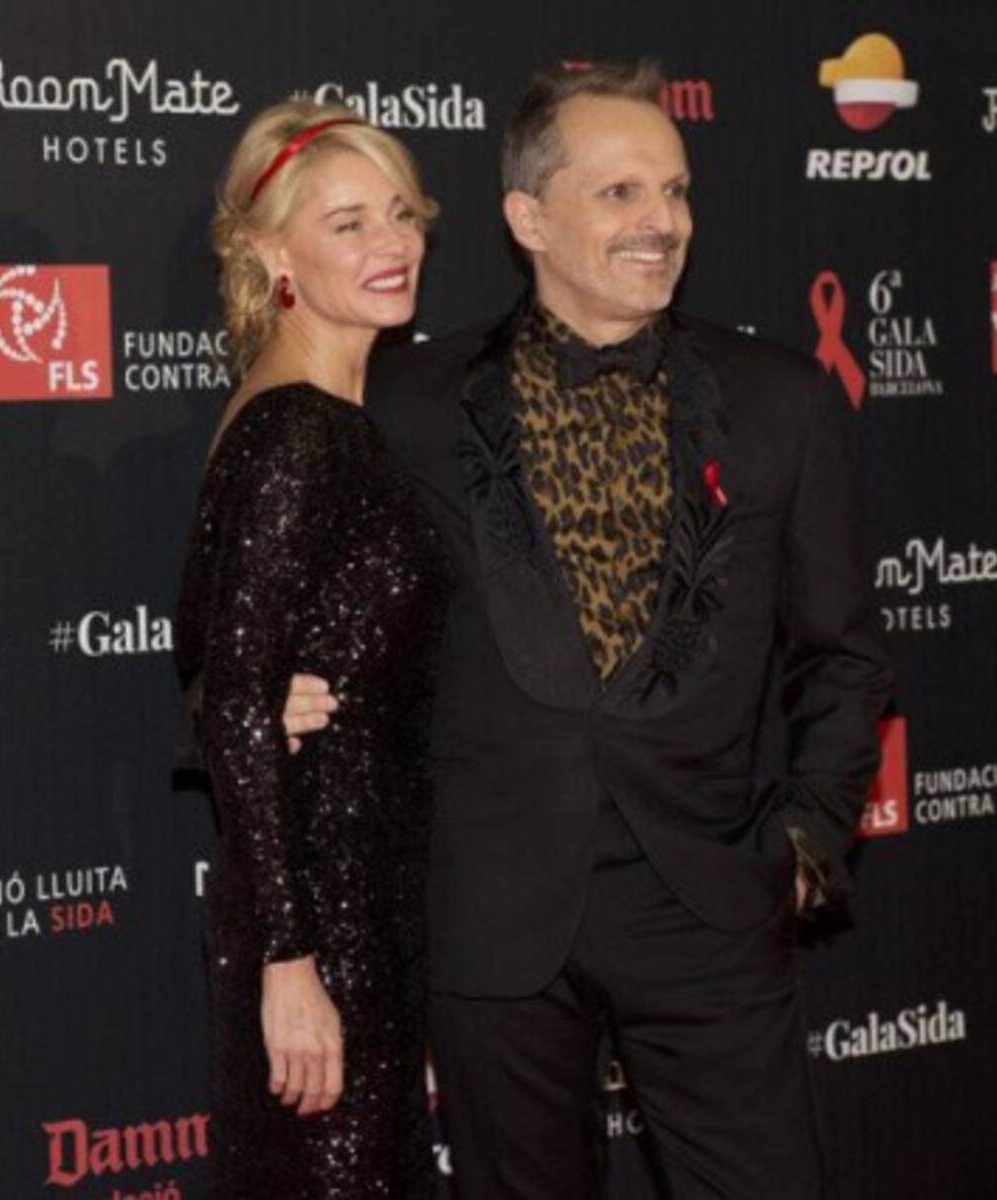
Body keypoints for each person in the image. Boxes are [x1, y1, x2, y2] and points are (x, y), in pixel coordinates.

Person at [285, 61, 893, 1198]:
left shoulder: (781, 399)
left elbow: (844, 653)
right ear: (528, 218)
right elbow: (301, 613)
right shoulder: (407, 405)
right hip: (491, 907)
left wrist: (808, 841)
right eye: (620, 193)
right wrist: (286, 686)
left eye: (676, 191)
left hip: (707, 898)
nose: (662, 221)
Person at [175, 100, 448, 1198]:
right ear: (270, 254)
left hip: (361, 902)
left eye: (401, 213)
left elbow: (217, 670)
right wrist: (290, 963)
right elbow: (238, 693)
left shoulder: (328, 417)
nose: (392, 244)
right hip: (324, 917)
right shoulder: (300, 431)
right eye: (348, 223)